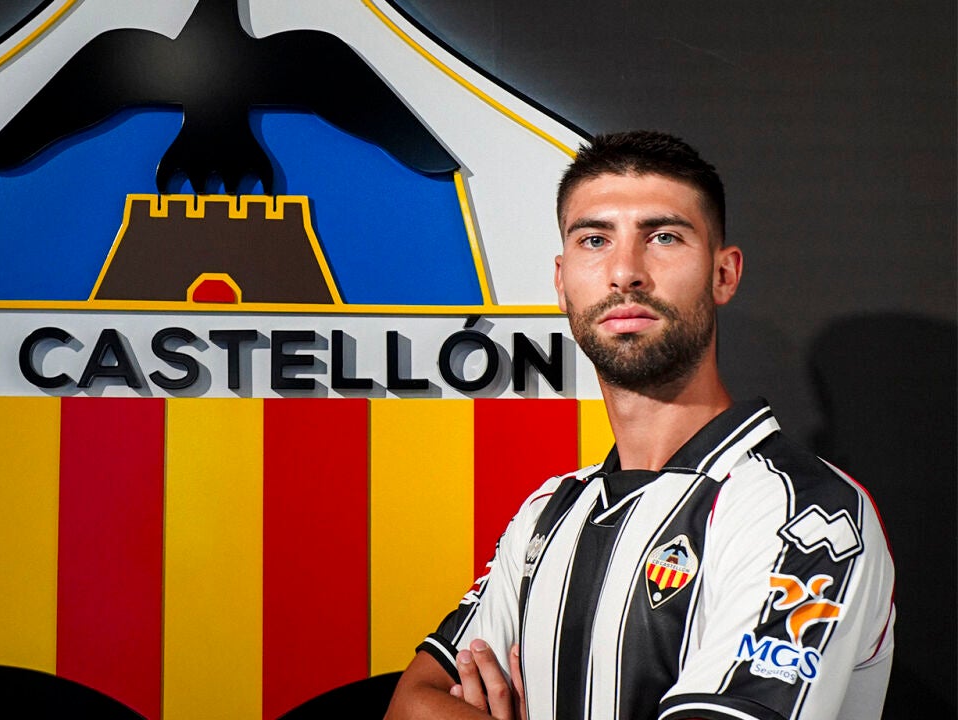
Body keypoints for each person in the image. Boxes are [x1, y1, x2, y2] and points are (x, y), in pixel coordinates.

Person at [384, 131, 895, 720]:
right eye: (595, 240)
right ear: (561, 281)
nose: (625, 272)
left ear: (724, 274)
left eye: (664, 237)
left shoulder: (804, 512)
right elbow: (412, 704)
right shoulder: (548, 512)